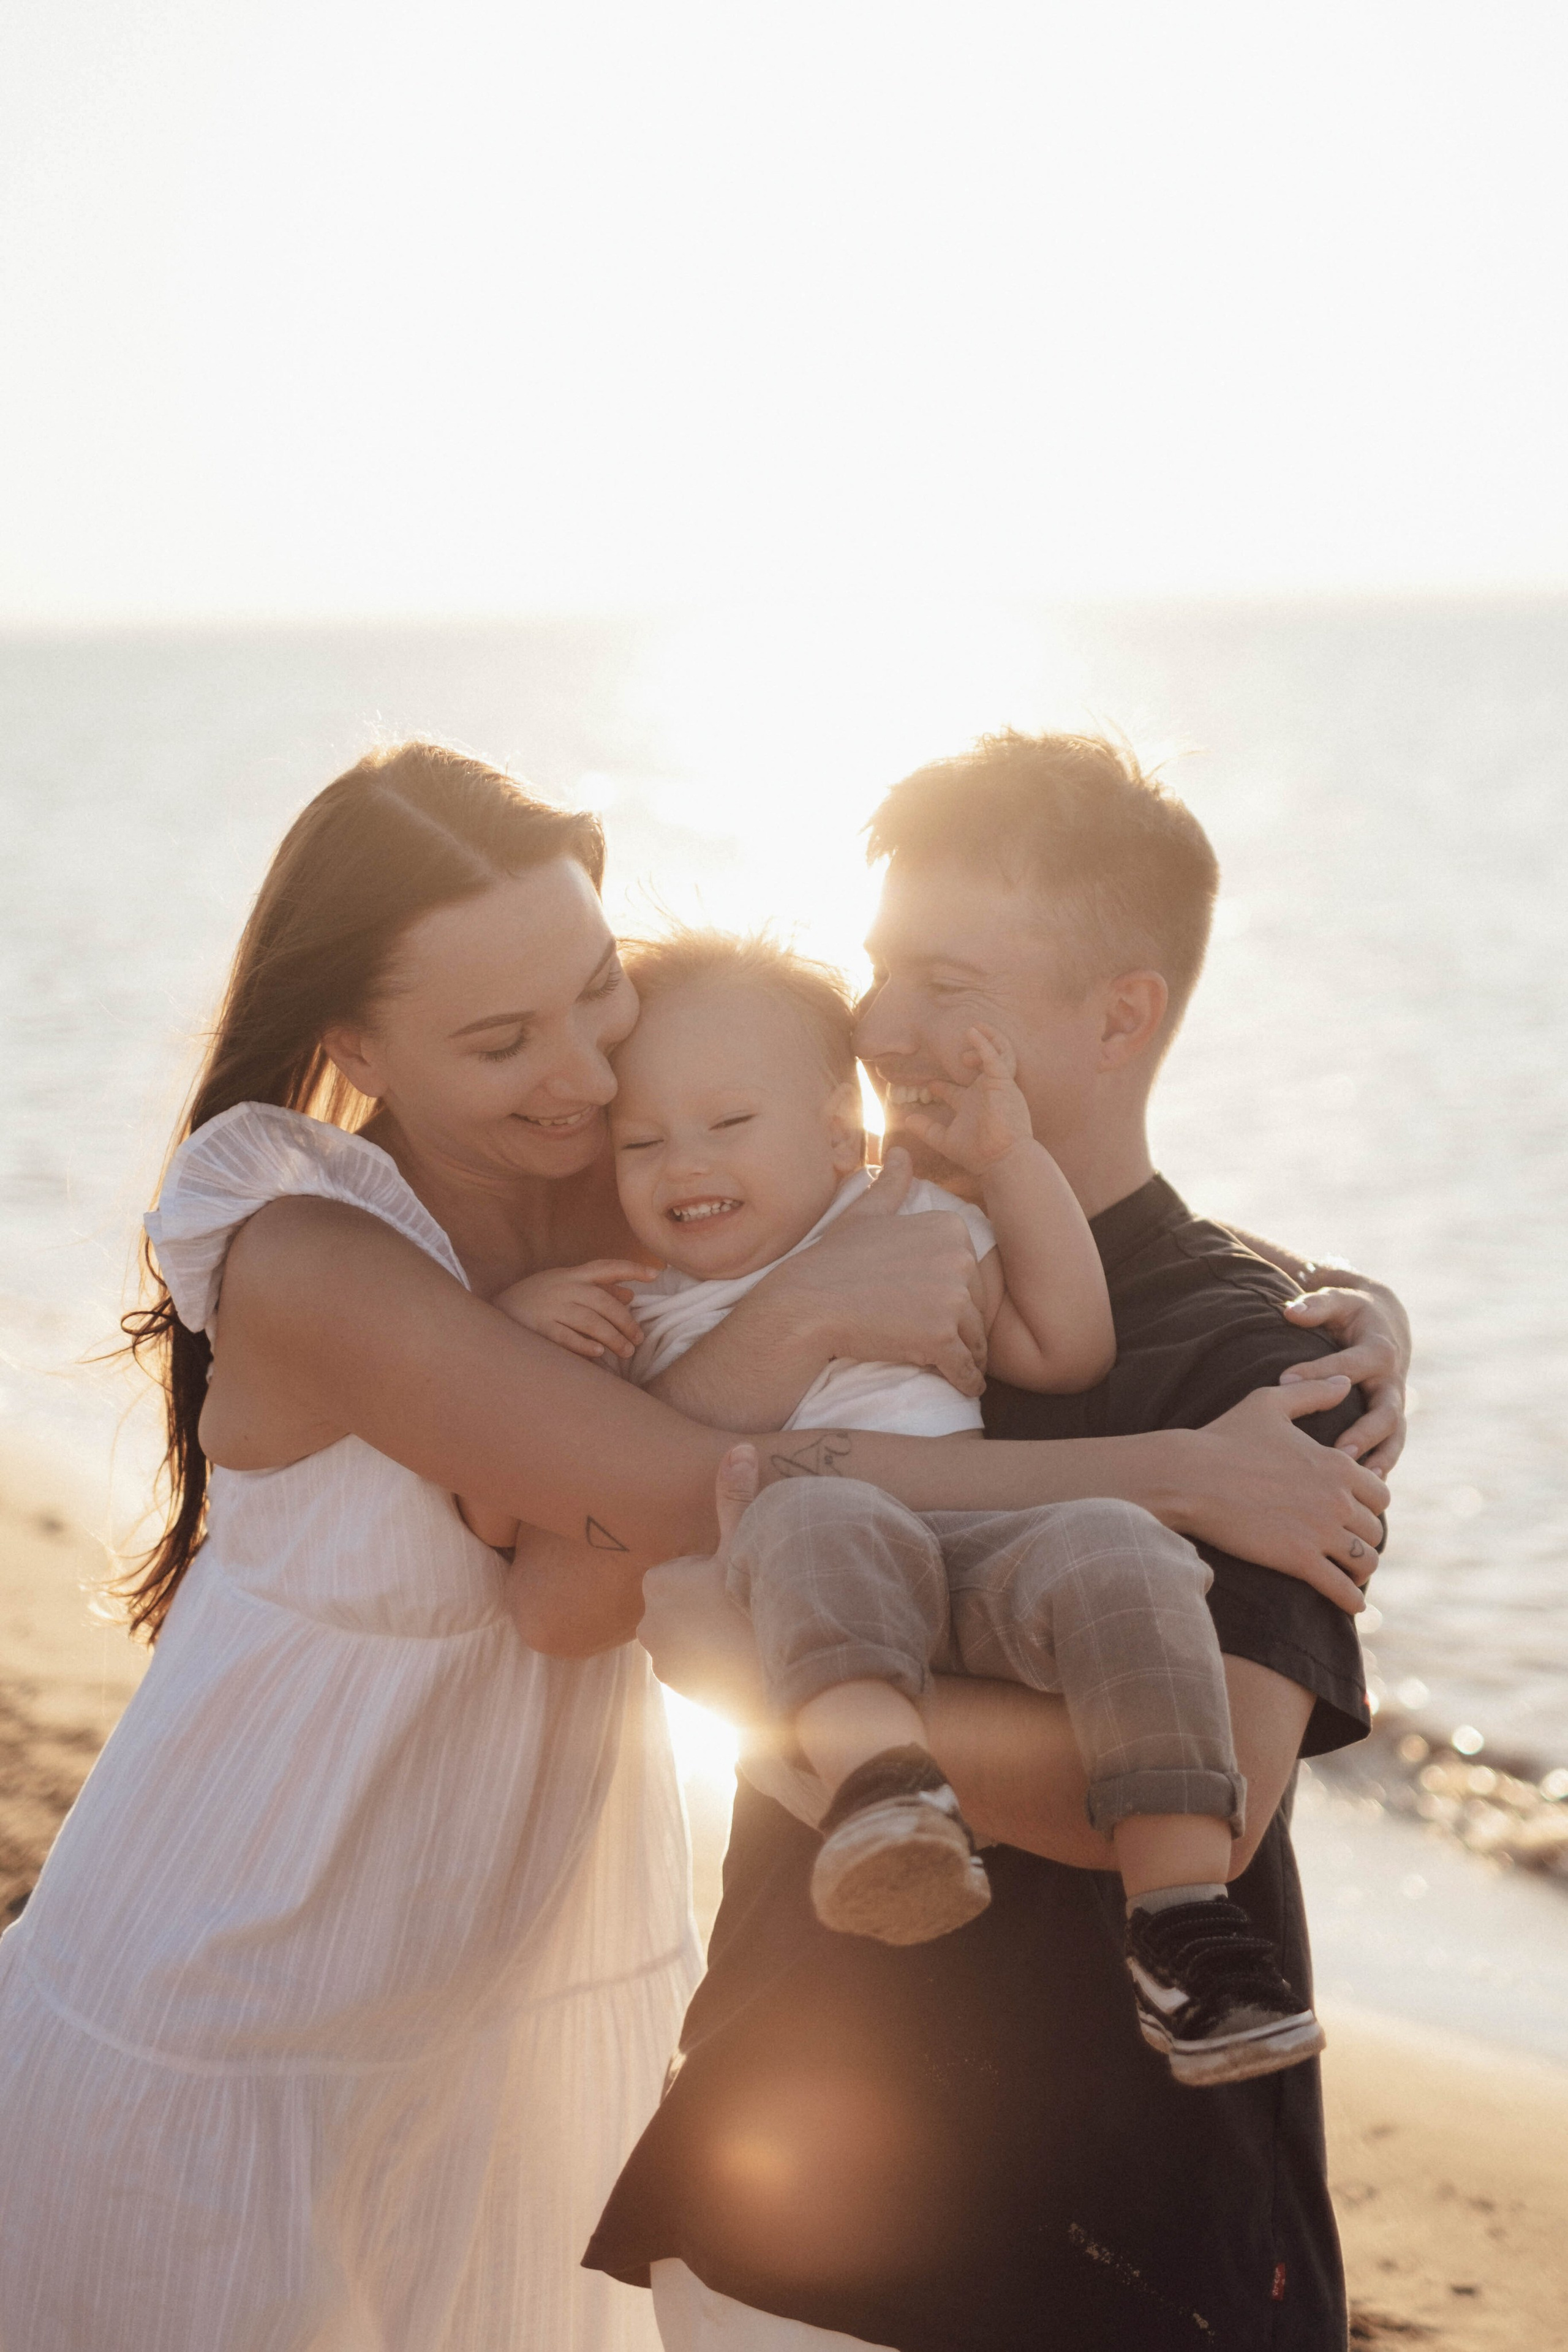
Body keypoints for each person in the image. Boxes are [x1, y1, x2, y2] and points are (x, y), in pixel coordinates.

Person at [0, 739, 1389, 2352]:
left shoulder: (612, 1173)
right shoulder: (324, 1251)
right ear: (357, 1040)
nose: (590, 1081)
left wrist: (1364, 1313)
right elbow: (647, 1514)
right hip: (247, 1971)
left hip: (498, 1991)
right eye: (504, 1038)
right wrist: (1159, 1467)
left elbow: (860, 1186)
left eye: (598, 993)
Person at [587, 730, 1409, 2351]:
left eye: (943, 980)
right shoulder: (794, 1221)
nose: (880, 1025)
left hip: (1117, 2227)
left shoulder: (1262, 1365)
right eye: (880, 965)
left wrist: (772, 1706)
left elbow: (1216, 1802)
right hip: (783, 2197)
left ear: (1121, 1014)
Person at [474, 925, 1325, 2085]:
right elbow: (513, 1507)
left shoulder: (917, 1217)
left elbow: (1065, 1349)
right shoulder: (643, 1305)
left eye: (727, 1126)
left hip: (984, 1562)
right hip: (818, 1568)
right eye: (643, 1141)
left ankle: (1185, 1924)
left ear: (836, 1125)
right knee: (815, 1511)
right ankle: (889, 1804)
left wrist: (1013, 1162)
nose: (683, 1166)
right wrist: (516, 1327)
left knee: (1122, 1546)